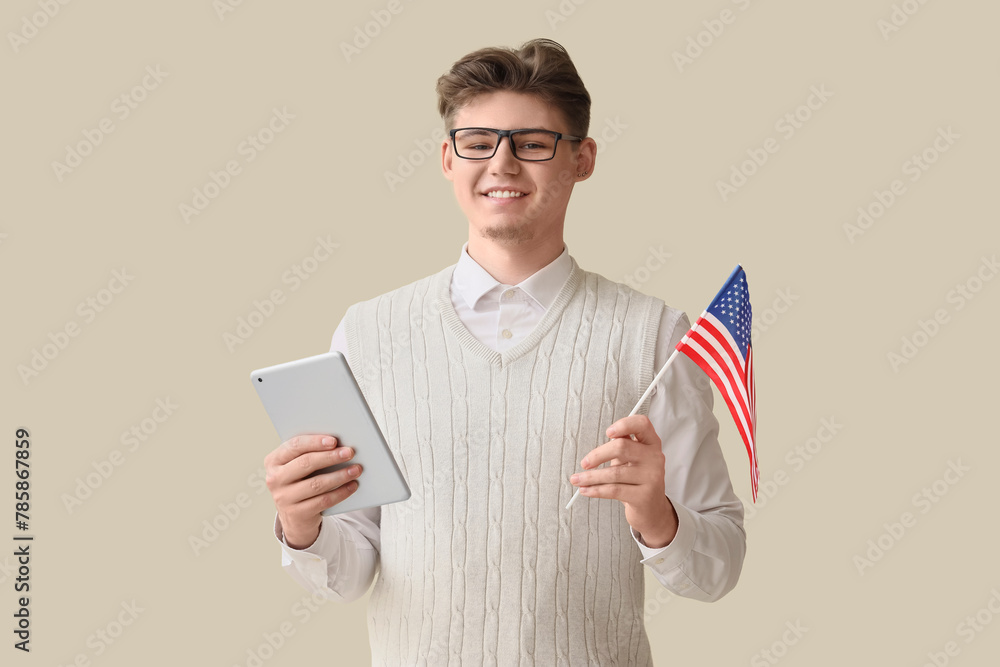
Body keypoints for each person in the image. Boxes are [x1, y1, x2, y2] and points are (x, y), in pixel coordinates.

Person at [264, 38, 745, 665]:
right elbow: (350, 570)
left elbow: (718, 568)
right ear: (447, 158)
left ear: (583, 159)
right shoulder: (368, 333)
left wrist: (657, 514)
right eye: (478, 141)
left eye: (533, 143)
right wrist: (303, 528)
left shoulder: (653, 335)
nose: (503, 163)